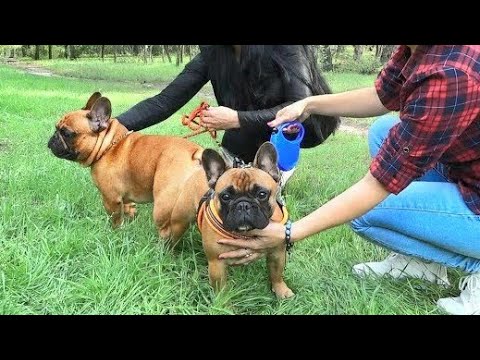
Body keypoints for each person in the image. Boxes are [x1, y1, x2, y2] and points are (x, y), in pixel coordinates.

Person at [217, 45, 480, 315]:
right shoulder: (419, 51)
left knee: (366, 215)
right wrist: (309, 103)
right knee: (382, 131)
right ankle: (424, 264)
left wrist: (289, 232)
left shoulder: (451, 75)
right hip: (468, 170)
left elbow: (378, 184)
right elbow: (380, 95)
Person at [117, 45, 340, 188]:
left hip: (301, 126)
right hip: (249, 122)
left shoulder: (284, 48)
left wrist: (236, 119)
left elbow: (299, 106)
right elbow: (166, 100)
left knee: (257, 190)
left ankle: (281, 165)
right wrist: (117, 123)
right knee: (219, 185)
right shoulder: (213, 53)